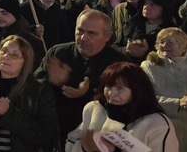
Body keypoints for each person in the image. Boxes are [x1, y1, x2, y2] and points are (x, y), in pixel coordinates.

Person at [39, 9, 126, 139]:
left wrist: (88, 94)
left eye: (92, 33)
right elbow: (33, 87)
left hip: (94, 137)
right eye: (80, 31)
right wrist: (51, 81)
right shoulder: (58, 53)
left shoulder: (119, 64)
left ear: (107, 36)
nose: (83, 38)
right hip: (54, 132)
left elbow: (124, 104)